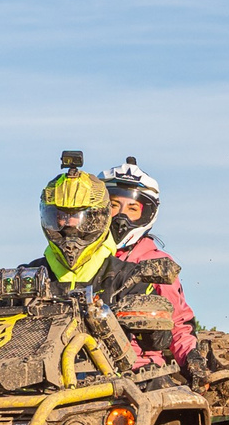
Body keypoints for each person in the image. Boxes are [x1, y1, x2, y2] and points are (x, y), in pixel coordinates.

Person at [30, 153, 199, 367]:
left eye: (132, 209)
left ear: (147, 213)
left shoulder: (153, 264)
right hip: (64, 366)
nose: (121, 217)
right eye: (114, 206)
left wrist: (190, 358)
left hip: (135, 364)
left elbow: (177, 325)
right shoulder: (51, 264)